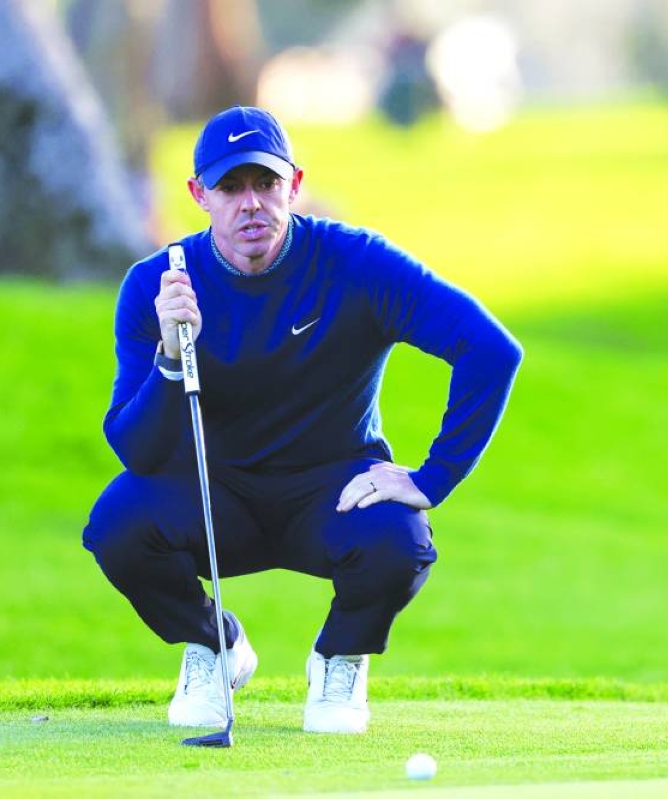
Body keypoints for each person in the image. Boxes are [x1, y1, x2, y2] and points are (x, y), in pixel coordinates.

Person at [83, 106, 521, 734]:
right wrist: (173, 360)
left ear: (294, 184)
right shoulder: (159, 284)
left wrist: (434, 477)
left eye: (265, 183)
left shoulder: (356, 263)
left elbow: (490, 349)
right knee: (117, 525)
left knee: (401, 542)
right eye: (231, 187)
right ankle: (214, 646)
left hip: (333, 489)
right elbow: (137, 450)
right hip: (216, 496)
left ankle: (339, 657)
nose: (251, 204)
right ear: (199, 195)